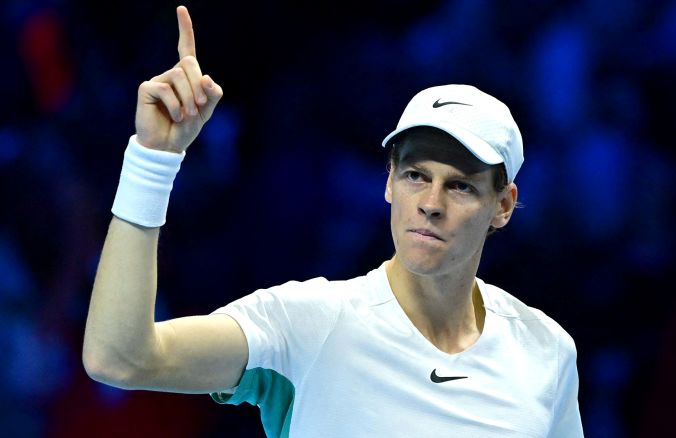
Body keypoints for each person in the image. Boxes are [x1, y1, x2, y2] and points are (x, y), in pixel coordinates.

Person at [83, 6, 584, 437]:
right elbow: (119, 358)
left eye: (460, 185)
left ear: (503, 204)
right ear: (388, 182)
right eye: (415, 175)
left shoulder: (546, 352)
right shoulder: (307, 322)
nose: (431, 202)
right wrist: (152, 159)